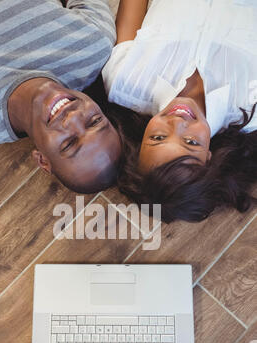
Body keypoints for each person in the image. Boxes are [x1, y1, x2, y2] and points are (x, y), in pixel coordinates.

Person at [102, 0, 257, 222]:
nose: (178, 123)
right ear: (209, 157)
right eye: (191, 142)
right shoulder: (251, 107)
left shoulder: (124, 81)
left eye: (158, 137)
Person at [0, 0, 122, 193]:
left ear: (42, 160)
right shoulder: (91, 44)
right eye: (94, 122)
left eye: (68, 143)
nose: (73, 117)